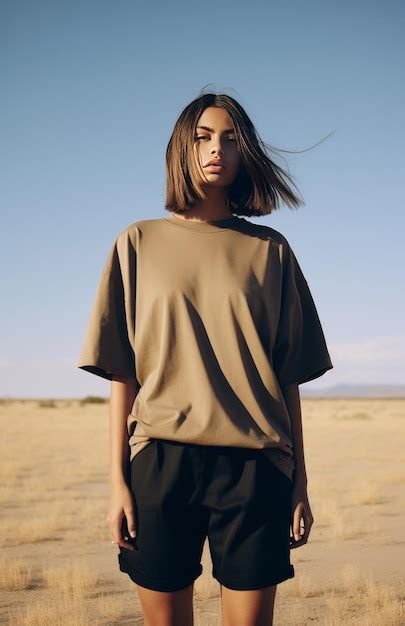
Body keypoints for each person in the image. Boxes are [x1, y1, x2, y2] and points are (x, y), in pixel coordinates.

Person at [77, 91, 333, 626]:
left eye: (231, 139)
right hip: (161, 463)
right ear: (182, 149)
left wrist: (300, 481)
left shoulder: (271, 251)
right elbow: (122, 375)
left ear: (245, 154)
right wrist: (118, 482)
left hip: (256, 464)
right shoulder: (137, 243)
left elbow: (289, 378)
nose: (217, 149)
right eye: (203, 137)